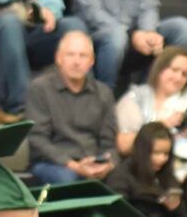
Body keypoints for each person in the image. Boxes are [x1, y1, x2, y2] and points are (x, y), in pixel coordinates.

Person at [21, 28, 117, 187]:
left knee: (123, 176)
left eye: (83, 55)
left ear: (92, 61)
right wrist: (74, 166)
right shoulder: (40, 89)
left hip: (92, 162)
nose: (76, 61)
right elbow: (38, 140)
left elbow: (109, 144)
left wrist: (107, 164)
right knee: (68, 179)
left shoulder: (104, 93)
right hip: (53, 164)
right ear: (59, 58)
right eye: (70, 55)